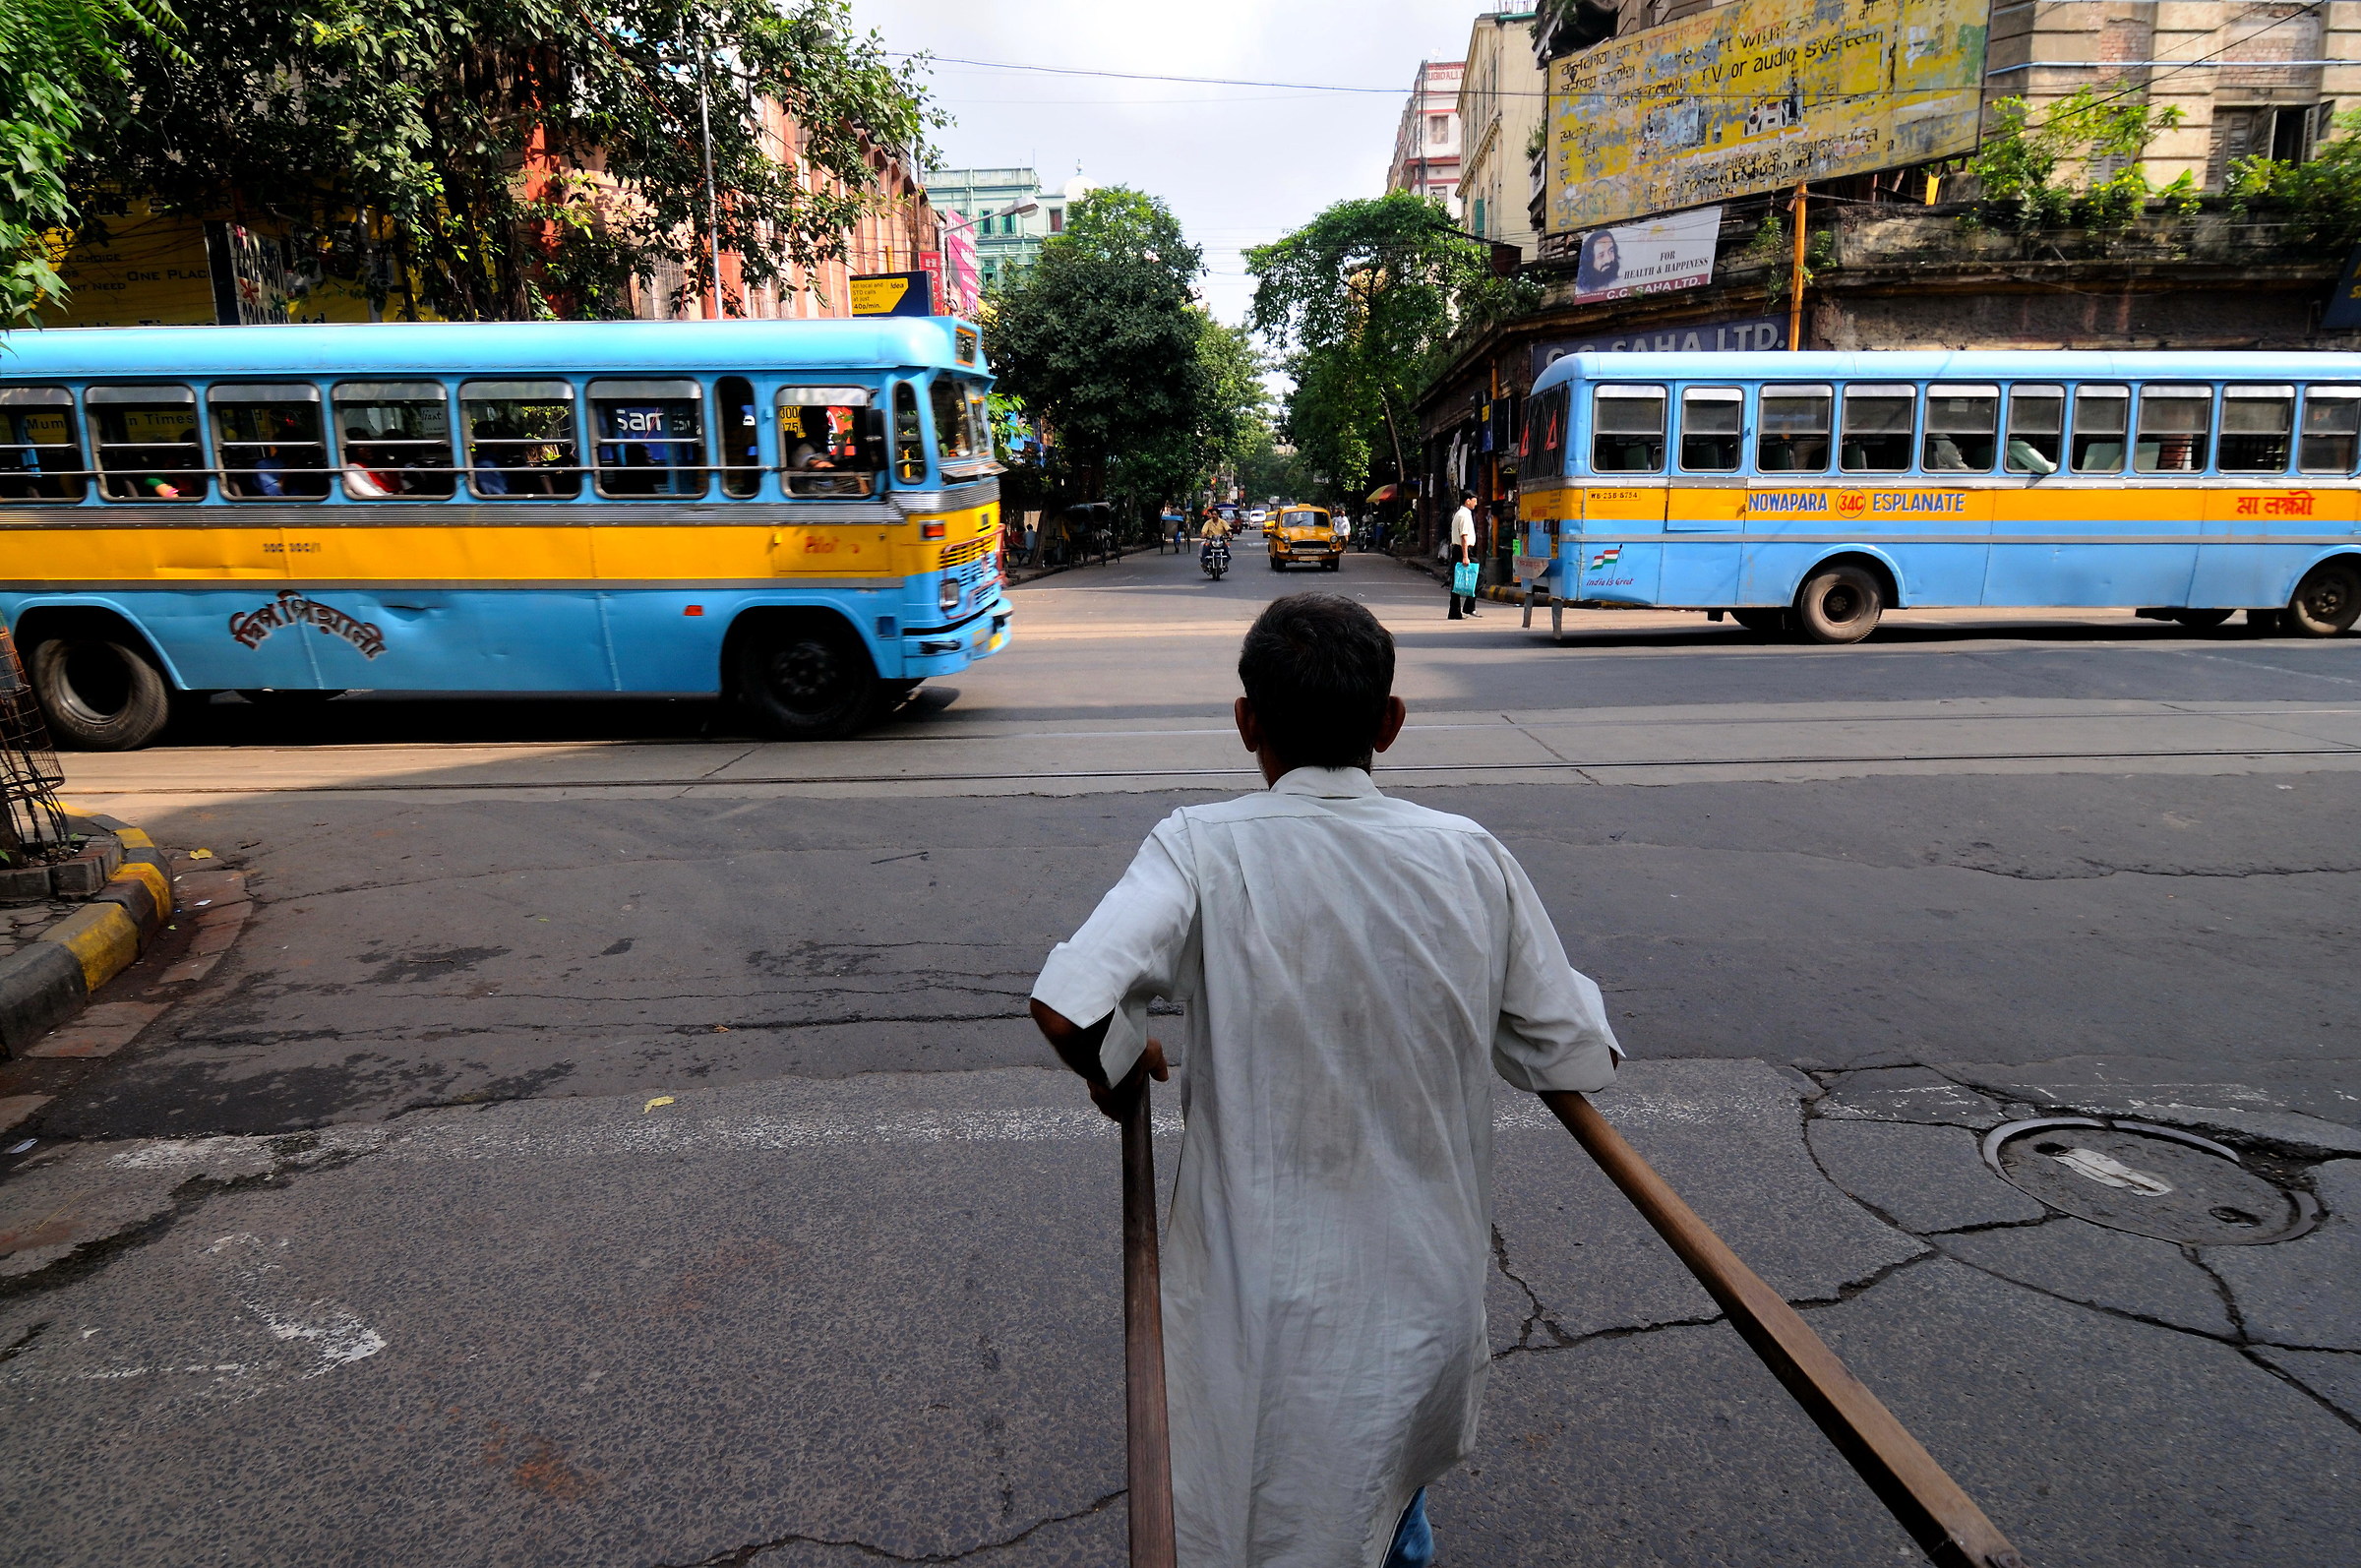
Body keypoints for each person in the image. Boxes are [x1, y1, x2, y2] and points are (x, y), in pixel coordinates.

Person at [1029, 592, 1619, 1568]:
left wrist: (1121, 1062)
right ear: (1390, 722)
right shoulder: (1470, 856)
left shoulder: (1201, 845)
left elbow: (1070, 1004)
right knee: (1380, 1496)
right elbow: (1570, 1049)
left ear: (1245, 721)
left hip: (1266, 1304)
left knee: (1277, 1504)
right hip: (1423, 1295)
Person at [1447, 491, 1480, 619]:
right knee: (1480, 576)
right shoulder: (1465, 515)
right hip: (1464, 549)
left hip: (1458, 549)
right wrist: (1465, 556)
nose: (1476, 504)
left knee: (1456, 580)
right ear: (1468, 501)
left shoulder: (1458, 513)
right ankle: (1468, 606)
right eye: (1474, 501)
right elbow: (1464, 536)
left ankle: (1454, 612)